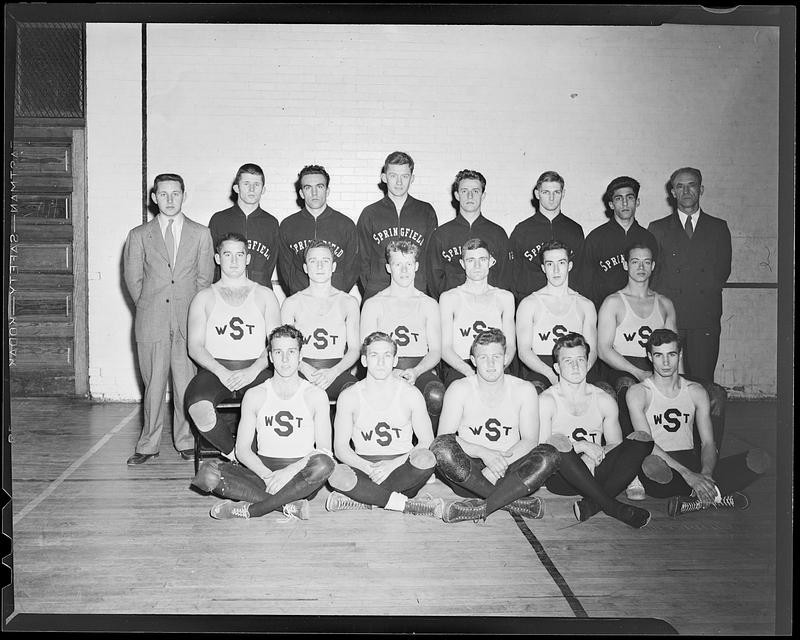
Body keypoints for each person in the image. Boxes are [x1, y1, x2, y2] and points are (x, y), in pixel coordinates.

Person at [191, 325, 335, 520]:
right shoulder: (255, 394)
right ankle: (289, 505)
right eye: (278, 352)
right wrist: (268, 476)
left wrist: (287, 473)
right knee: (207, 475)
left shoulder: (316, 395)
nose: (285, 359)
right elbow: (242, 450)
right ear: (270, 356)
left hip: (301, 475)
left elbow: (324, 450)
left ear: (301, 356)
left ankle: (252, 510)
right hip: (261, 472)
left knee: (324, 464)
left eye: (291, 352)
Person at [625, 329, 769, 517]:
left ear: (680, 354)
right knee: (651, 467)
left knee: (760, 459)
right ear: (650, 357)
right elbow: (648, 444)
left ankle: (696, 499)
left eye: (672, 354)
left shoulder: (696, 391)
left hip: (691, 461)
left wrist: (706, 474)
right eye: (659, 355)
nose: (666, 362)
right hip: (661, 464)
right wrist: (689, 476)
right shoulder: (638, 392)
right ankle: (717, 495)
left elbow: (708, 443)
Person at [123, 173, 214, 465]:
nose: (170, 199)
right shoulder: (139, 235)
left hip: (188, 321)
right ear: (154, 197)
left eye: (175, 193)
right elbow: (133, 281)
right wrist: (151, 307)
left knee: (186, 384)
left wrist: (190, 312)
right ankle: (148, 444)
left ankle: (186, 441)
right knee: (153, 385)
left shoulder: (201, 233)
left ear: (184, 195)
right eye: (164, 194)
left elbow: (204, 280)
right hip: (152, 321)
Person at [538, 333, 654, 526]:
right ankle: (612, 507)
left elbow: (614, 444)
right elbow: (543, 451)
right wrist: (581, 447)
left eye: (580, 360)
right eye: (568, 361)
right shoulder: (546, 401)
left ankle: (592, 504)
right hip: (563, 478)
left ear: (587, 363)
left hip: (596, 469)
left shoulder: (603, 399)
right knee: (556, 442)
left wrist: (592, 456)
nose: (575, 366)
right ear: (557, 367)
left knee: (642, 439)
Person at [184, 232, 282, 461]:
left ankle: (261, 457)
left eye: (240, 255)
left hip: (256, 369)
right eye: (228, 254)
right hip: (216, 371)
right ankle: (236, 456)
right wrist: (222, 372)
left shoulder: (265, 295)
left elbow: (276, 344)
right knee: (198, 407)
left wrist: (253, 370)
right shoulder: (204, 297)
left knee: (277, 404)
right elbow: (195, 347)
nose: (234, 260)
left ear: (248, 258)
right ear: (218, 258)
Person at [325, 332, 443, 517]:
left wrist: (393, 465)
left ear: (395, 360)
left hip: (402, 468)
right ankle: (406, 505)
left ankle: (365, 499)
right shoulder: (349, 396)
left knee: (427, 458)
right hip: (364, 465)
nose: (381, 362)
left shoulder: (411, 394)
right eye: (374, 355)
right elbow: (340, 449)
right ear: (364, 360)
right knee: (335, 474)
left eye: (387, 355)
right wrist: (368, 469)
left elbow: (427, 441)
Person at [648, 167, 732, 383]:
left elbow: (723, 271)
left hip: (704, 317)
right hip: (670, 316)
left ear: (701, 189)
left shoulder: (718, 227)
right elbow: (654, 273)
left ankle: (706, 418)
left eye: (691, 185)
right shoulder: (657, 228)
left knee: (703, 381)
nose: (686, 191)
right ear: (672, 192)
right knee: (665, 380)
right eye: (680, 186)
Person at [360, 240, 445, 424]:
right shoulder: (373, 304)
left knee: (435, 394)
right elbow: (366, 350)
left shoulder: (429, 304)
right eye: (398, 264)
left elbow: (436, 351)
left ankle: (432, 448)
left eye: (408, 264)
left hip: (419, 368)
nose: (404, 270)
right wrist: (389, 372)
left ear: (416, 266)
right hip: (381, 368)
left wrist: (416, 371)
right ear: (389, 268)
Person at [280, 240, 359, 401]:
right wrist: (305, 368)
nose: (320, 266)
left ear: (333, 267)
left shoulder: (348, 302)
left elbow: (354, 350)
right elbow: (285, 348)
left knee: (355, 395)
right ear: (305, 268)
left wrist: (333, 372)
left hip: (337, 371)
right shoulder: (291, 303)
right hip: (301, 371)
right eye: (313, 261)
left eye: (325, 261)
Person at [516, 240, 598, 393]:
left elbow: (592, 351)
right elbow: (524, 351)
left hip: (577, 368)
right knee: (533, 392)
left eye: (561, 263)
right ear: (543, 268)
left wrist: (578, 374)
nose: (555, 270)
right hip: (542, 369)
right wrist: (553, 376)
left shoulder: (585, 305)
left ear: (570, 266)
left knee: (605, 393)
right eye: (549, 264)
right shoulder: (529, 304)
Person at [356, 151, 438, 301]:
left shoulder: (426, 211)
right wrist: (374, 287)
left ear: (412, 178)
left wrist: (423, 286)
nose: (399, 182)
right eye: (393, 175)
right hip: (378, 293)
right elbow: (362, 259)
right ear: (384, 178)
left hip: (416, 292)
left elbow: (431, 256)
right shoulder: (370, 213)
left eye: (404, 176)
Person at [439, 238, 516, 388]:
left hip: (497, 365)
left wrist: (496, 370)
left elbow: (511, 345)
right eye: (470, 260)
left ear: (491, 261)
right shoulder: (449, 298)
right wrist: (470, 372)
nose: (477, 266)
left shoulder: (505, 298)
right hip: (462, 366)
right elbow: (445, 348)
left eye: (482, 259)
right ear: (462, 264)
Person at [426, 169, 511, 300]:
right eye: (464, 191)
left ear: (483, 196)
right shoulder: (441, 235)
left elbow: (505, 277)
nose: (470, 196)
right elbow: (433, 279)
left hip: (489, 307)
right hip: (452, 309)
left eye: (475, 191)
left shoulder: (497, 234)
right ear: (457, 195)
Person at [277, 164, 359, 296]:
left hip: (336, 301)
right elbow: (286, 268)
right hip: (301, 302)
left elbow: (352, 268)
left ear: (327, 191)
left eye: (319, 187)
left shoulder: (346, 225)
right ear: (301, 193)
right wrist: (299, 294)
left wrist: (337, 295)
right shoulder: (288, 225)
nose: (314, 193)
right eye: (308, 188)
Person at [580, 176, 658, 310]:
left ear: (637, 201)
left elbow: (655, 281)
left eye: (629, 197)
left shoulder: (648, 238)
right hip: (604, 313)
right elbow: (585, 284)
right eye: (618, 198)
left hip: (641, 313)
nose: (625, 203)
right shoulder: (596, 238)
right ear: (611, 204)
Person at [508, 171, 585, 303]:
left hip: (566, 302)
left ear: (563, 194)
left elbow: (581, 272)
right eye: (546, 192)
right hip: (531, 303)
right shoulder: (522, 230)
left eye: (556, 192)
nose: (551, 198)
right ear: (537, 194)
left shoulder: (574, 229)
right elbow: (512, 273)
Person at [208, 163, 280, 289]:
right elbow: (210, 262)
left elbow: (271, 263)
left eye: (256, 185)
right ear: (236, 188)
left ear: (263, 190)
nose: (251, 189)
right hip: (225, 292)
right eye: (246, 184)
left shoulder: (271, 223)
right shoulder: (219, 219)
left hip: (260, 293)